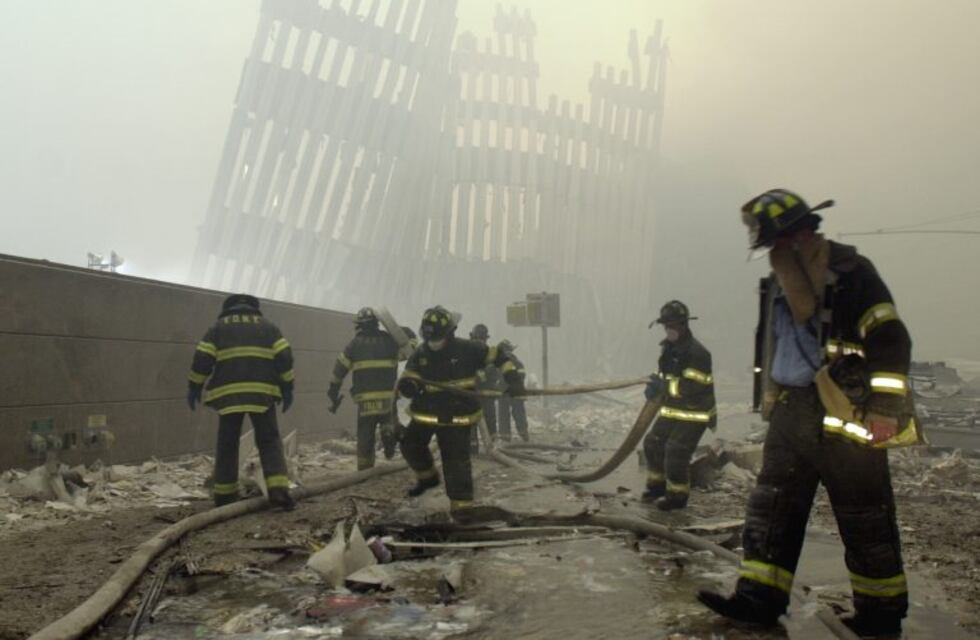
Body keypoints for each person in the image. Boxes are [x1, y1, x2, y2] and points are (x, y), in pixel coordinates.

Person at [698, 188, 922, 637]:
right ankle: (758, 600)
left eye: (777, 243)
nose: (774, 253)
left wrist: (883, 409)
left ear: (799, 234)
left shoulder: (852, 273)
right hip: (791, 412)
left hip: (845, 412)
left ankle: (880, 616)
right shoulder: (780, 281)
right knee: (771, 510)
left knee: (864, 519)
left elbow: (891, 339)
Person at [397, 306, 524, 516]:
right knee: (410, 444)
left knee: (455, 460)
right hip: (426, 411)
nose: (433, 343)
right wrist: (409, 385)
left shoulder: (469, 349)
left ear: (449, 333)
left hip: (457, 413)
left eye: (437, 338)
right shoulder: (421, 352)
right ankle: (428, 478)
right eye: (430, 338)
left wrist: (513, 379)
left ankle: (461, 507)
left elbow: (499, 356)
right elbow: (411, 374)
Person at [187, 293, 295, 509]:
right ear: (253, 308)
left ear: (228, 308)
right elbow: (284, 358)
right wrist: (287, 387)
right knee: (269, 441)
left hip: (228, 395)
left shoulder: (217, 329)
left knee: (227, 444)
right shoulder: (269, 328)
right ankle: (279, 494)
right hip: (262, 394)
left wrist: (194, 386)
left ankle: (225, 496)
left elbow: (201, 360)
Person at [641, 301, 716, 510]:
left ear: (683, 324)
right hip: (673, 409)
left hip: (695, 412)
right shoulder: (668, 348)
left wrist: (664, 387)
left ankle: (677, 497)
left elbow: (693, 387)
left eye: (672, 325)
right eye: (666, 326)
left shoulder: (698, 353)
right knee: (653, 443)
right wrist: (653, 384)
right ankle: (656, 488)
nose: (669, 330)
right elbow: (663, 374)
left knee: (676, 451)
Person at [328, 307, 403, 470]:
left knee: (365, 434)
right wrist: (398, 331)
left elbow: (338, 371)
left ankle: (364, 467)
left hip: (365, 399)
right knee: (388, 420)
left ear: (360, 325)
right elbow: (407, 350)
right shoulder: (390, 341)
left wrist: (333, 392)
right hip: (388, 396)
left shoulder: (354, 345)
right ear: (377, 323)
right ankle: (388, 434)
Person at [468, 323, 499, 452]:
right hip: (472, 394)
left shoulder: (490, 354)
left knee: (489, 419)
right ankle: (473, 446)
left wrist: (485, 376)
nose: (481, 342)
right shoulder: (466, 353)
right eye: (478, 338)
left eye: (482, 339)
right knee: (472, 421)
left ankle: (491, 446)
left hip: (486, 395)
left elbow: (494, 374)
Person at [497, 340, 530, 442]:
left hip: (504, 392)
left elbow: (496, 377)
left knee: (503, 413)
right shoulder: (518, 362)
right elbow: (522, 375)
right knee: (519, 412)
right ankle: (523, 433)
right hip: (517, 391)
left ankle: (505, 436)